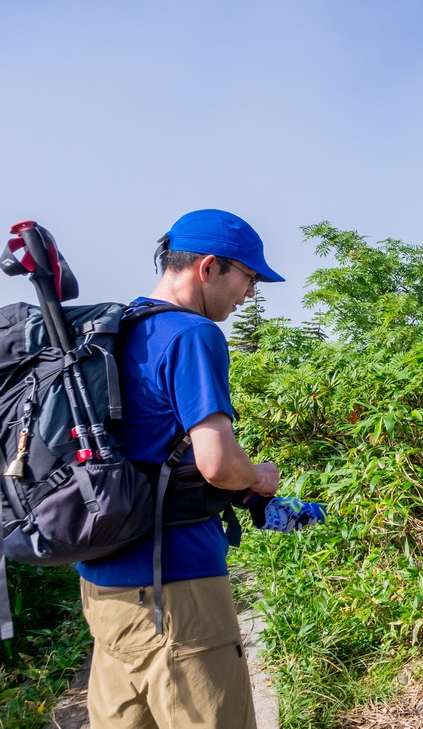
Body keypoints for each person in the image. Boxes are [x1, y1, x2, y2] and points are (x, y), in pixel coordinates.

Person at [76, 209, 286, 728]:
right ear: (209, 267)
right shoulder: (192, 335)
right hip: (176, 587)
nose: (249, 294)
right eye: (249, 277)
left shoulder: (116, 330)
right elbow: (218, 463)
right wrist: (258, 476)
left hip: (102, 586)